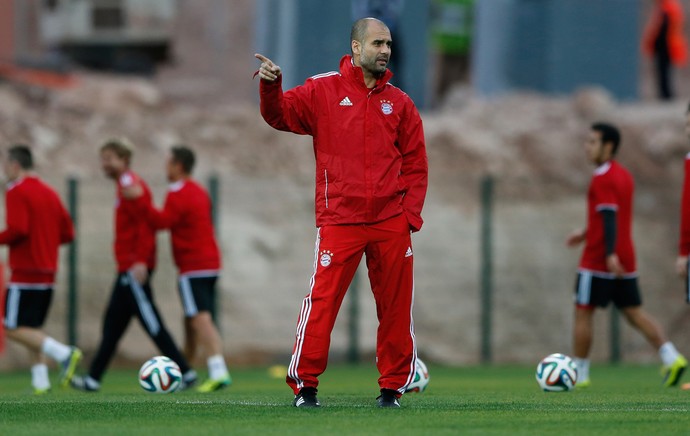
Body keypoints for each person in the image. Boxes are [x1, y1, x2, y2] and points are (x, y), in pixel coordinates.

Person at [255, 17, 428, 408]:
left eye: (388, 44)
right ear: (355, 48)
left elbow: (416, 163)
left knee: (397, 310)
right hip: (340, 219)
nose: (385, 50)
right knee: (322, 303)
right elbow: (279, 114)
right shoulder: (322, 90)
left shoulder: (399, 102)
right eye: (377, 43)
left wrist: (408, 217)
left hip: (390, 223)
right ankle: (305, 386)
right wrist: (271, 85)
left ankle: (392, 390)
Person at [70, 138, 196, 392]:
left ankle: (187, 372)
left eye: (108, 159)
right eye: (102, 159)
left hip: (134, 267)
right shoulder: (124, 186)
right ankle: (93, 379)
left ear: (123, 160)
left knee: (152, 323)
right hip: (126, 266)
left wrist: (140, 260)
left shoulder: (131, 185)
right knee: (112, 325)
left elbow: (145, 226)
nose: (104, 165)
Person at [566, 123, 687, 388]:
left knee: (583, 312)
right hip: (626, 255)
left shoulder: (602, 177)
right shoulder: (624, 176)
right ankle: (672, 356)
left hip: (599, 258)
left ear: (608, 146)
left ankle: (579, 374)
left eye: (592, 142)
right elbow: (611, 217)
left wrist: (608, 254)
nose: (587, 147)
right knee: (633, 313)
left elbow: (609, 217)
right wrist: (586, 232)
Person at [121, 145, 231, 393]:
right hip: (211, 263)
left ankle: (218, 370)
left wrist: (140, 199)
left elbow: (161, 222)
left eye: (168, 163)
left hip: (192, 265)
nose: (165, 167)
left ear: (178, 166)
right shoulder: (199, 191)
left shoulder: (176, 192)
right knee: (190, 319)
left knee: (200, 318)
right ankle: (185, 372)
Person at [0, 145, 82, 394]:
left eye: (6, 165)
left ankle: (64, 353)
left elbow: (18, 229)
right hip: (48, 272)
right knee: (31, 328)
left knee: (9, 326)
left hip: (25, 271)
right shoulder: (50, 192)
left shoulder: (16, 190)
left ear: (15, 165)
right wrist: (44, 243)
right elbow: (68, 233)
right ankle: (40, 382)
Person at [642, 0, 688, 100]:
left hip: (666, 47)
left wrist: (655, 44)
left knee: (664, 73)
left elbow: (663, 29)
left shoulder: (667, 8)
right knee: (665, 72)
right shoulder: (669, 7)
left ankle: (666, 96)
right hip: (668, 46)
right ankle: (667, 95)